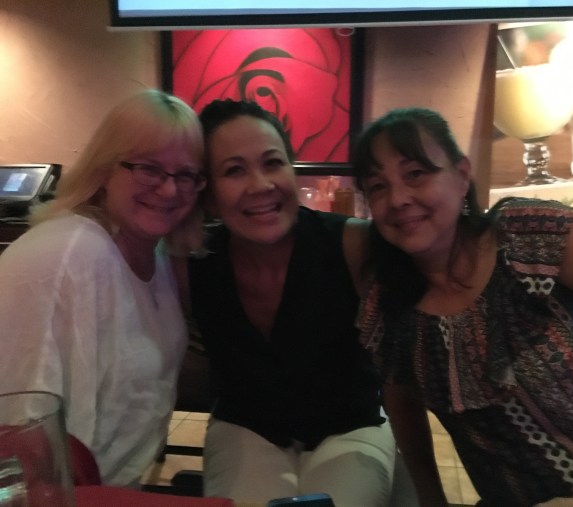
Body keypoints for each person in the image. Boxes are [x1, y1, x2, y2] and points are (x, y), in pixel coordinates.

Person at [351, 107, 573, 507]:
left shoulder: (525, 238)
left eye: (416, 173)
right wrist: (431, 498)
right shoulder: (390, 305)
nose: (398, 198)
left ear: (461, 175)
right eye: (378, 186)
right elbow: (402, 403)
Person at [187, 99, 397, 506]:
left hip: (351, 426)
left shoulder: (352, 244)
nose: (261, 185)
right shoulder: (193, 263)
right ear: (209, 194)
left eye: (272, 163)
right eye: (234, 170)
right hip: (245, 427)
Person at [0, 89, 207, 487]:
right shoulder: (63, 256)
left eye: (185, 175)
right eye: (148, 168)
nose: (169, 190)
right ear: (105, 169)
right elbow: (20, 428)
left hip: (116, 487)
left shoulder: (156, 252)